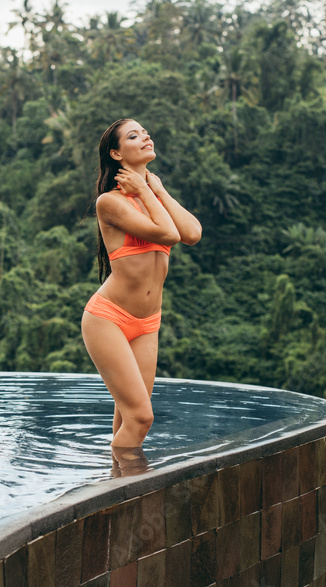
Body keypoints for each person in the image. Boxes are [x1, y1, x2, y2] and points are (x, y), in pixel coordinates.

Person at [82, 118, 202, 474]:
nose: (146, 136)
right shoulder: (110, 203)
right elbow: (169, 234)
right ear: (117, 154)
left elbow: (192, 232)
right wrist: (148, 192)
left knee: (127, 421)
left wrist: (156, 188)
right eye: (134, 135)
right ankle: (119, 493)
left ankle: (114, 485)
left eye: (145, 132)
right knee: (141, 417)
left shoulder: (154, 195)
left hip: (148, 323)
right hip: (109, 319)